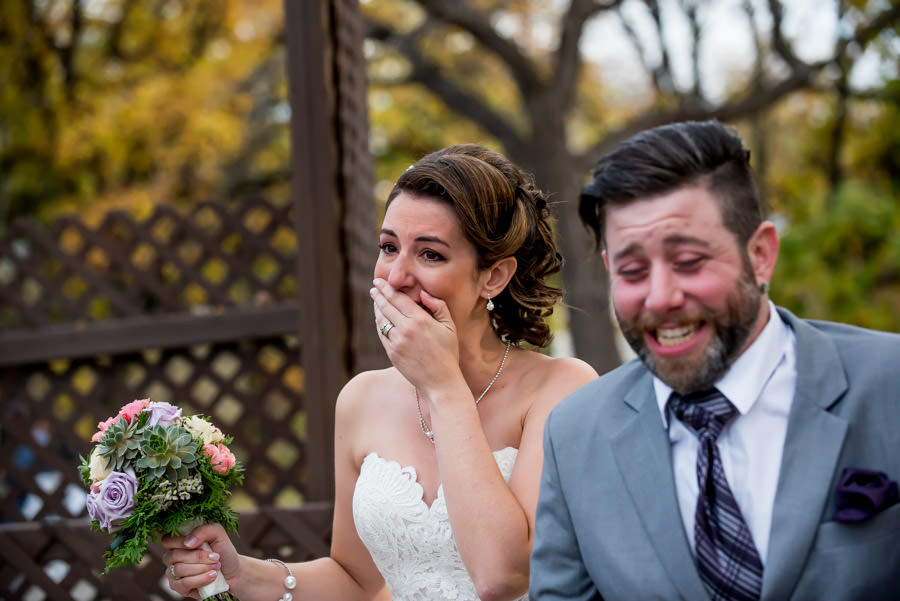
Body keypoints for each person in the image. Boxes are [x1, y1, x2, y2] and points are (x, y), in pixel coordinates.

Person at [163, 144, 598, 601]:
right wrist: (242, 574)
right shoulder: (362, 399)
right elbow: (356, 581)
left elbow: (502, 578)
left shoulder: (563, 389)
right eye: (389, 248)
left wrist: (444, 387)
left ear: (493, 277)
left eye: (430, 255)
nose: (395, 277)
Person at [530, 120, 900, 601]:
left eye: (688, 262)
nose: (660, 297)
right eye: (633, 271)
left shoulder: (890, 383)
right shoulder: (575, 434)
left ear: (760, 255)